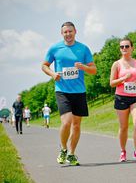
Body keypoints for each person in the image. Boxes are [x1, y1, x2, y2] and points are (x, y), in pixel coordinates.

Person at [41, 21, 97, 166]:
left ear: (75, 31)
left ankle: (71, 154)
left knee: (77, 125)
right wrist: (53, 74)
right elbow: (44, 65)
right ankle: (63, 149)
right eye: (65, 32)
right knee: (66, 122)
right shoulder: (55, 48)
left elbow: (93, 69)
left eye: (70, 31)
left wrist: (83, 67)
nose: (68, 34)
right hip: (62, 90)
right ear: (62, 33)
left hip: (79, 91)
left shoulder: (83, 49)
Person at [110, 38, 136, 163]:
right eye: (122, 47)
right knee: (124, 127)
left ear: (132, 48)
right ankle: (123, 151)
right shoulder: (117, 64)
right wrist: (123, 78)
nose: (124, 49)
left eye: (126, 46)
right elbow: (112, 83)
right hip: (121, 97)